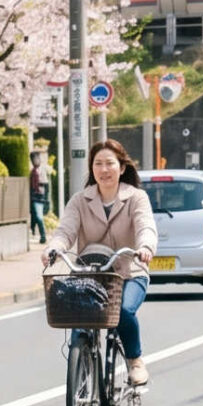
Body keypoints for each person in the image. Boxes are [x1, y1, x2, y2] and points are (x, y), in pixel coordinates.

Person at [47, 139, 158, 387]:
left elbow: (146, 228)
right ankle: (80, 392)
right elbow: (66, 230)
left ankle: (135, 360)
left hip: (129, 273)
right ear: (91, 168)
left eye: (110, 163)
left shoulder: (136, 198)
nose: (104, 169)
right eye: (98, 164)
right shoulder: (80, 200)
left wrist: (145, 248)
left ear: (122, 167)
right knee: (79, 327)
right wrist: (55, 247)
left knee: (123, 312)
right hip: (90, 275)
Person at [28, 154, 51, 244]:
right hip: (34, 197)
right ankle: (39, 234)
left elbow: (46, 186)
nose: (36, 161)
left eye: (37, 159)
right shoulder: (32, 172)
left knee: (39, 217)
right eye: (33, 159)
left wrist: (46, 199)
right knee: (35, 216)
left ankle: (43, 236)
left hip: (40, 197)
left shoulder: (42, 171)